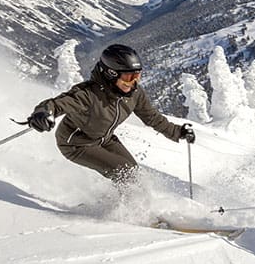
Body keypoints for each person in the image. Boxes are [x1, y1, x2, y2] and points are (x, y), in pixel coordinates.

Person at [26, 44, 195, 184]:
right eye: (129, 77)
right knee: (126, 174)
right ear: (111, 73)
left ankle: (120, 205)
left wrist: (177, 131)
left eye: (137, 76)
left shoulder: (134, 94)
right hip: (77, 144)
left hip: (104, 139)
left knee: (134, 172)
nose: (133, 82)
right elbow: (57, 104)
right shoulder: (88, 94)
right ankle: (136, 214)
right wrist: (43, 113)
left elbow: (152, 117)